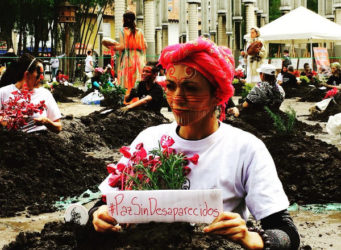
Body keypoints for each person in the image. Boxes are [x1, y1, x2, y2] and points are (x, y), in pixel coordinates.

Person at [90, 38, 299, 250]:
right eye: (170, 86)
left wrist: (257, 239)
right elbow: (101, 204)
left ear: (217, 94)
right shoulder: (149, 139)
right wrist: (97, 216)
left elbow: (287, 232)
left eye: (191, 88)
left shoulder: (245, 148)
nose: (177, 98)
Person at [0, 53, 62, 133]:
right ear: (27, 74)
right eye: (39, 73)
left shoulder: (45, 94)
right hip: (13, 142)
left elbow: (58, 127)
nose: (42, 77)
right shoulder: (3, 92)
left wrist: (46, 122)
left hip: (39, 141)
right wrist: (7, 121)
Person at [102, 11, 147, 96]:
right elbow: (145, 46)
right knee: (137, 79)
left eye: (123, 19)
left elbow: (122, 46)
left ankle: (127, 98)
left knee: (127, 80)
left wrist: (113, 48)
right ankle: (138, 97)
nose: (122, 20)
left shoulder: (123, 30)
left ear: (126, 20)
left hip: (129, 58)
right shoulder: (140, 31)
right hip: (139, 59)